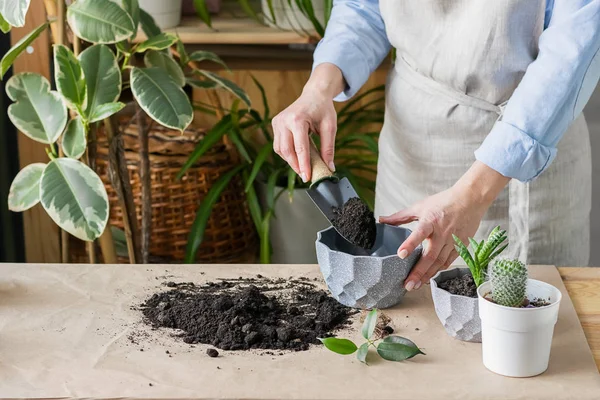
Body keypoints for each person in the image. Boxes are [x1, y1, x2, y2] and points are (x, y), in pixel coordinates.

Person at [272, 0, 600, 290]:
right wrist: (318, 88)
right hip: (412, 147)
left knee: (529, 333)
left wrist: (475, 194)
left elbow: (574, 46)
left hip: (528, 141)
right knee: (407, 314)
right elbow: (364, 8)